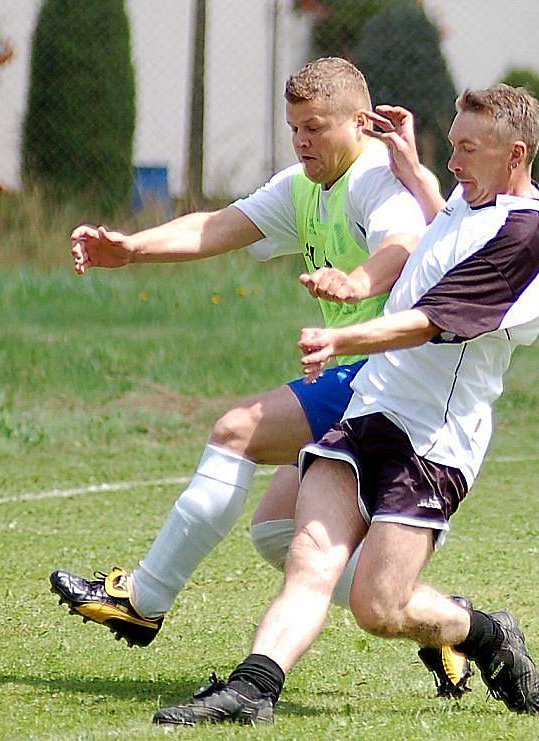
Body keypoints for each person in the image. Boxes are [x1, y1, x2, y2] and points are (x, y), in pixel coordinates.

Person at [150, 83, 539, 726]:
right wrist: (412, 165)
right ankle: (253, 688)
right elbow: (446, 220)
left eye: (467, 150)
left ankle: (482, 633)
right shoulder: (473, 198)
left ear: (517, 154)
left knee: (381, 608)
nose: (454, 163)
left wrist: (343, 335)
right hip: (369, 408)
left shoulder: (524, 239)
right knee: (308, 558)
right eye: (452, 146)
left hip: (432, 440)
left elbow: (429, 322)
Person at [49, 57, 429, 648]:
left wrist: (358, 282)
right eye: (295, 127)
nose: (303, 140)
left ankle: (142, 600)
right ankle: (441, 624)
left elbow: (403, 244)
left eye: (317, 127)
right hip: (359, 372)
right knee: (278, 530)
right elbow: (220, 226)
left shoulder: (377, 178)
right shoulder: (303, 186)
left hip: (387, 372)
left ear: (361, 122)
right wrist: (131, 249)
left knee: (236, 430)